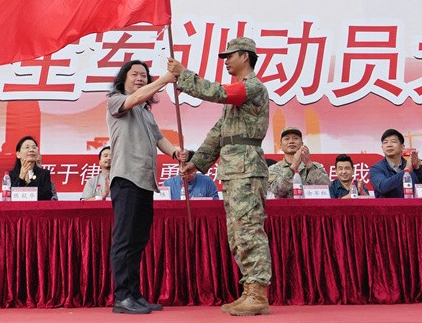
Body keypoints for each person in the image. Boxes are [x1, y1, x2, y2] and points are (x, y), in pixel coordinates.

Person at [169, 37, 272, 317]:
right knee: (237, 232)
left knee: (248, 230)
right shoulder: (236, 96)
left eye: (230, 56)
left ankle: (258, 293)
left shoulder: (252, 87)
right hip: (235, 170)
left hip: (247, 169)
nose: (226, 61)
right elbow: (218, 134)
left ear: (245, 56)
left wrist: (184, 75)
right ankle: (249, 290)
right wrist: (196, 163)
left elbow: (220, 93)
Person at [107, 60, 181, 315]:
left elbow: (160, 139)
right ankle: (122, 297)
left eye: (144, 75)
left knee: (138, 241)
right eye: (135, 74)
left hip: (145, 181)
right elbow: (135, 98)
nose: (140, 78)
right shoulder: (116, 101)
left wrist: (176, 153)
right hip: (126, 179)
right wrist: (165, 80)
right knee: (124, 240)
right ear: (123, 79)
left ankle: (134, 295)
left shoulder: (146, 112)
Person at [267, 127, 331, 198]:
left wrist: (309, 165)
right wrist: (293, 167)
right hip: (285, 205)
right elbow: (274, 191)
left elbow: (326, 187)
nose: (291, 141)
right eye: (287, 139)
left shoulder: (315, 166)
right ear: (281, 146)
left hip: (310, 205)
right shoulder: (273, 169)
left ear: (302, 144)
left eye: (295, 138)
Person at [368, 129, 422, 198]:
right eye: (385, 142)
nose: (389, 145)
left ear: (402, 147)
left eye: (393, 141)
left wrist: (418, 168)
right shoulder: (376, 169)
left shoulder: (412, 166)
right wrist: (406, 171)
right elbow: (382, 187)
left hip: (412, 205)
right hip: (387, 205)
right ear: (382, 148)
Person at [9, 136, 56, 201]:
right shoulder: (10, 175)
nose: (31, 150)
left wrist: (30, 182)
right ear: (18, 154)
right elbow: (10, 198)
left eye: (34, 147)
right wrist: (21, 178)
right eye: (27, 147)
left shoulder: (44, 174)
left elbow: (47, 198)